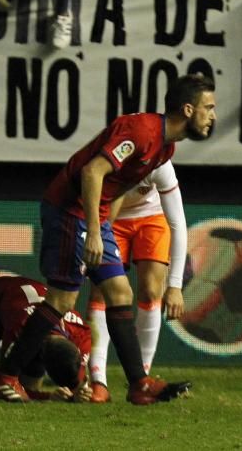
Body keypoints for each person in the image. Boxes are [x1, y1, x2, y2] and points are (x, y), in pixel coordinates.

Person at [0, 73, 215, 405]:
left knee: (120, 292)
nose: (212, 115)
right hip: (69, 211)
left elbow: (119, 182)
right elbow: (92, 172)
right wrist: (95, 231)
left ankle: (139, 385)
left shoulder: (165, 147)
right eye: (208, 107)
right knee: (62, 301)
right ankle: (5, 377)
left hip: (93, 215)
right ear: (187, 109)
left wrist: (103, 224)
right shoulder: (142, 132)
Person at [87, 159, 188, 403]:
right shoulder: (109, 158)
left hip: (151, 217)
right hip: (109, 220)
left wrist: (175, 285)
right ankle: (97, 380)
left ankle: (141, 381)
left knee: (151, 290)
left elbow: (178, 223)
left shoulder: (160, 163)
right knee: (102, 292)